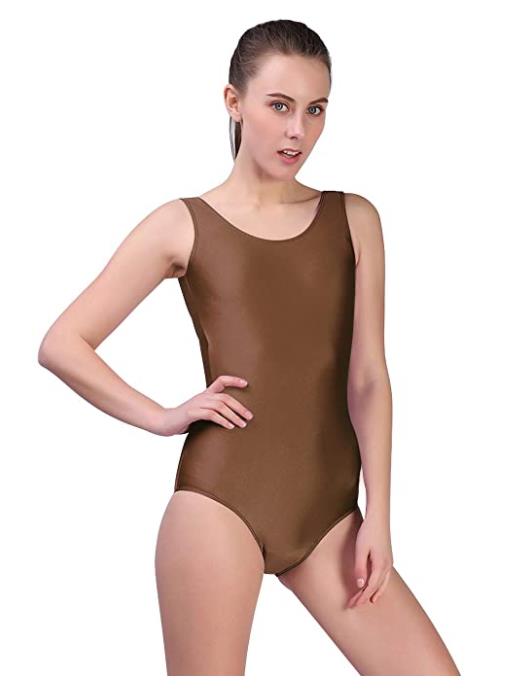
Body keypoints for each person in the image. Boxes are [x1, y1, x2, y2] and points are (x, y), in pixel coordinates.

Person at [38, 19, 460, 677]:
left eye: (315, 110)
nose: (298, 131)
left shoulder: (354, 219)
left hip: (330, 517)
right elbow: (63, 343)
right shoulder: (181, 224)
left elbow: (368, 379)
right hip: (219, 502)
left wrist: (378, 516)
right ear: (233, 102)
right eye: (279, 106)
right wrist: (162, 416)